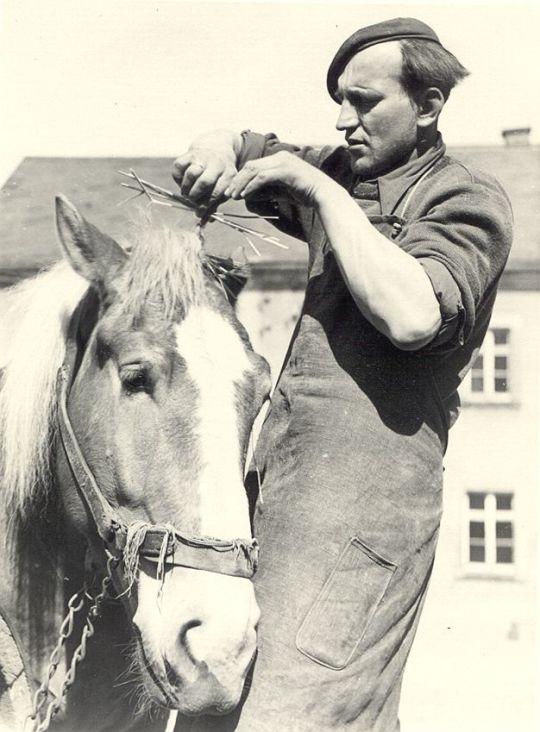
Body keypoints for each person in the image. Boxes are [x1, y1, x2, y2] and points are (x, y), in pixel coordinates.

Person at [172, 17, 512, 732]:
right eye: (339, 101)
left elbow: (415, 315)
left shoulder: (465, 200)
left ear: (428, 105)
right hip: (272, 493)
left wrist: (317, 193)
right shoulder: (346, 172)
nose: (343, 119)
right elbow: (249, 148)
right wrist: (216, 147)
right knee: (216, 710)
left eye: (364, 102)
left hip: (363, 515)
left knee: (297, 718)